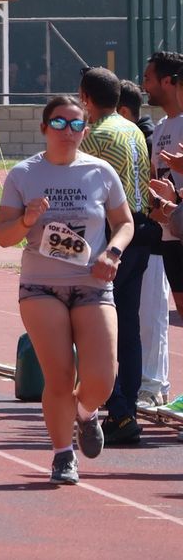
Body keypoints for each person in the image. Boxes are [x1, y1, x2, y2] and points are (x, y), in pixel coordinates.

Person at [0, 95, 133, 485]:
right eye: (58, 123)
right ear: (44, 128)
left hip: (92, 283)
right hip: (41, 286)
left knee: (102, 380)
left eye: (76, 124)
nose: (67, 131)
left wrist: (113, 252)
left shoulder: (101, 172)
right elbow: (4, 236)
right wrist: (27, 219)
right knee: (58, 376)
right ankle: (62, 455)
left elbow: (124, 223)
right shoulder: (24, 174)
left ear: (85, 131)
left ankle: (86, 414)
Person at [77, 66, 154, 444]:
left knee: (101, 327)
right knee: (128, 327)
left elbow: (78, 189)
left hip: (111, 237)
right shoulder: (134, 130)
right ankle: (127, 410)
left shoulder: (95, 137)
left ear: (85, 98)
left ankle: (119, 411)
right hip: (139, 233)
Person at [119, 76, 168, 408]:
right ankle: (142, 383)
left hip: (151, 238)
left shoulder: (144, 137)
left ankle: (152, 384)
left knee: (150, 315)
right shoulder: (151, 132)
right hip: (135, 237)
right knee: (138, 316)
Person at [142, 52, 183, 414]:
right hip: (168, 233)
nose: (145, 85)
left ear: (170, 81)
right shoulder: (161, 128)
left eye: (150, 78)